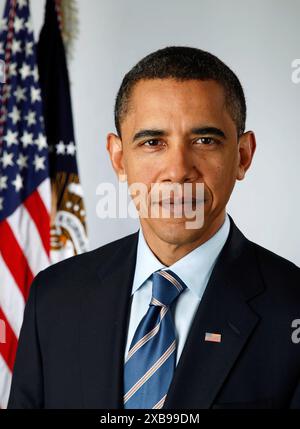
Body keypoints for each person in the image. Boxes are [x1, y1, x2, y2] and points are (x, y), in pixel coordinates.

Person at [8, 46, 300, 409]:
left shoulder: (292, 308)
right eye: (152, 142)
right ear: (118, 158)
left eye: (204, 140)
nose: (178, 170)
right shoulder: (54, 298)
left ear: (242, 156)